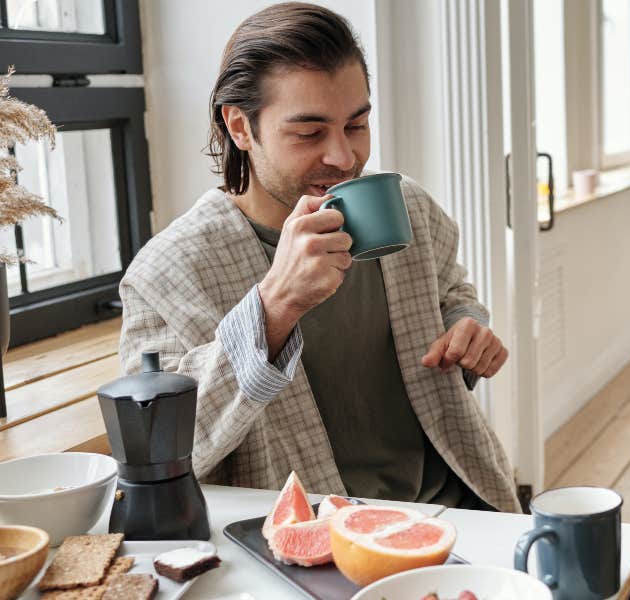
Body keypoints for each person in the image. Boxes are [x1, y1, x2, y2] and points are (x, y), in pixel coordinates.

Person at [117, 2, 519, 513]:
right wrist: (274, 306)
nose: (344, 158)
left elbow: (451, 293)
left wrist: (468, 328)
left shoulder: (407, 207)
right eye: (309, 132)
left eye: (356, 125)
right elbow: (156, 454)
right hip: (306, 544)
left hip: (462, 508)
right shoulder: (167, 272)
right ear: (240, 127)